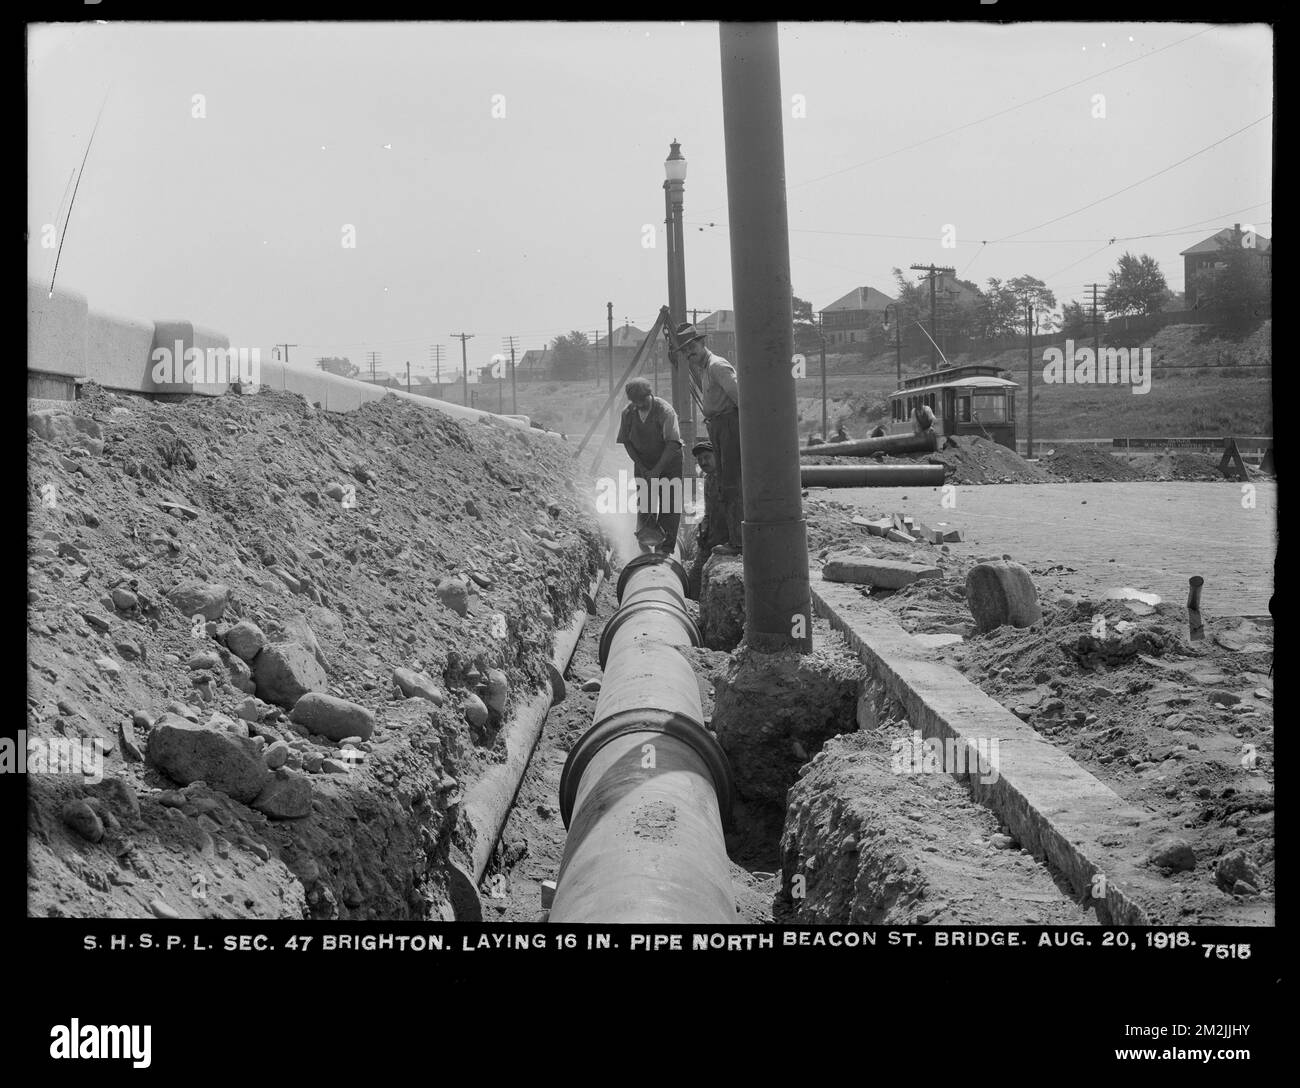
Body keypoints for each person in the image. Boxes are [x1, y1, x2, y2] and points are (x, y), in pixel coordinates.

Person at [676, 322, 742, 555]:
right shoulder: (703, 370)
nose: (689, 353)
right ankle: (732, 537)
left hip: (728, 424)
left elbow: (740, 398)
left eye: (691, 347)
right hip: (717, 425)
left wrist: (734, 429)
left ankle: (738, 542)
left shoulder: (716, 366)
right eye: (685, 350)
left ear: (702, 343)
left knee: (732, 481)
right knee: (724, 482)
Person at [616, 376, 683, 555]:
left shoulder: (665, 411)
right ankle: (645, 543)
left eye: (642, 401)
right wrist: (643, 468)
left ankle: (665, 548)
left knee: (669, 502)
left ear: (649, 395)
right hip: (643, 462)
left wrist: (657, 470)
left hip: (669, 462)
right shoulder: (628, 413)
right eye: (635, 402)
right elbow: (627, 442)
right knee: (645, 501)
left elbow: (672, 444)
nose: (638, 405)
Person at [685, 438, 729, 599]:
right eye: (700, 459)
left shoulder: (729, 480)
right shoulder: (709, 479)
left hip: (729, 541)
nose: (703, 462)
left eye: (707, 457)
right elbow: (709, 512)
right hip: (711, 540)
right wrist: (703, 530)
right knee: (694, 581)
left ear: (717, 457)